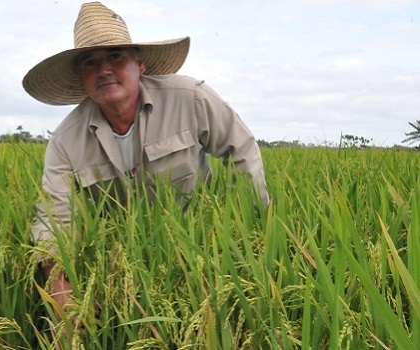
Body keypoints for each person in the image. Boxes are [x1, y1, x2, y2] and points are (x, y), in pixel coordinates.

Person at [22, 2, 269, 313]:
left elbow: (242, 151)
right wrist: (63, 298)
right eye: (90, 62)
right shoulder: (65, 140)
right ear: (81, 77)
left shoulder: (190, 98)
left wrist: (243, 236)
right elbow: (54, 219)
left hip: (200, 250)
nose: (104, 70)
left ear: (140, 64)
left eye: (115, 56)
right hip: (123, 264)